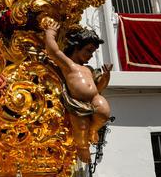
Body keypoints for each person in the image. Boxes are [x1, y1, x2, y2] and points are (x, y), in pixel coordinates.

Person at [42, 23, 112, 162]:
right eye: (88, 51)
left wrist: (106, 76)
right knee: (81, 127)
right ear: (76, 47)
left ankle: (93, 130)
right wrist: (50, 33)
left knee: (103, 113)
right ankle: (82, 149)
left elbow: (99, 87)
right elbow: (53, 51)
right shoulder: (69, 64)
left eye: (92, 52)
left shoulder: (89, 69)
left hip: (94, 99)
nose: (90, 56)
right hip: (77, 104)